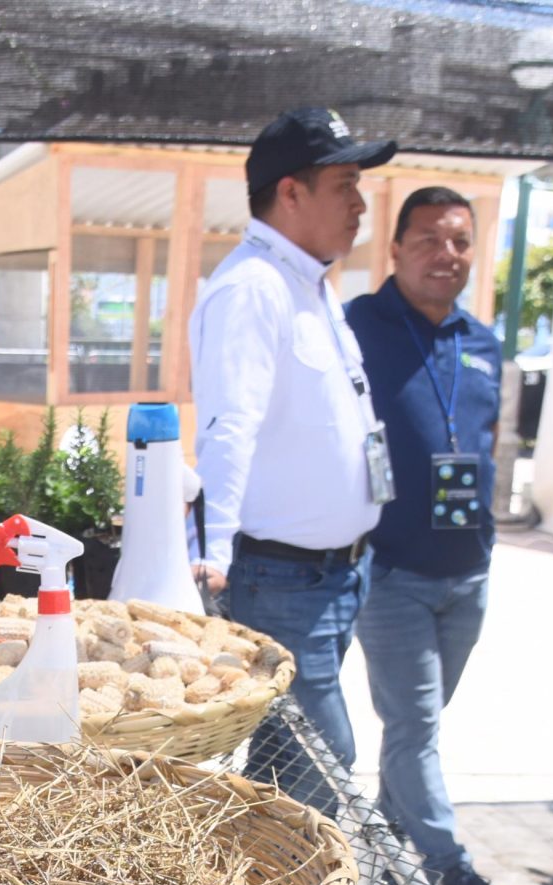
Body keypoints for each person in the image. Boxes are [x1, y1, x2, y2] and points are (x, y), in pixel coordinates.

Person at [187, 107, 397, 814]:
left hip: (335, 575)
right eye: (344, 183)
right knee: (321, 758)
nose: (360, 204)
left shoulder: (308, 282)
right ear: (291, 193)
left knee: (286, 766)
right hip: (280, 577)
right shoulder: (254, 288)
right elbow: (227, 427)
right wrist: (212, 551)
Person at [345, 185, 520, 885]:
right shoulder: (357, 328)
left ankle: (381, 859)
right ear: (395, 247)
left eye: (458, 241)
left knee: (414, 734)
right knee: (415, 727)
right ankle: (452, 873)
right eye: (427, 240)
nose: (444, 256)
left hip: (468, 570)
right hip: (390, 572)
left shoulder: (482, 344)